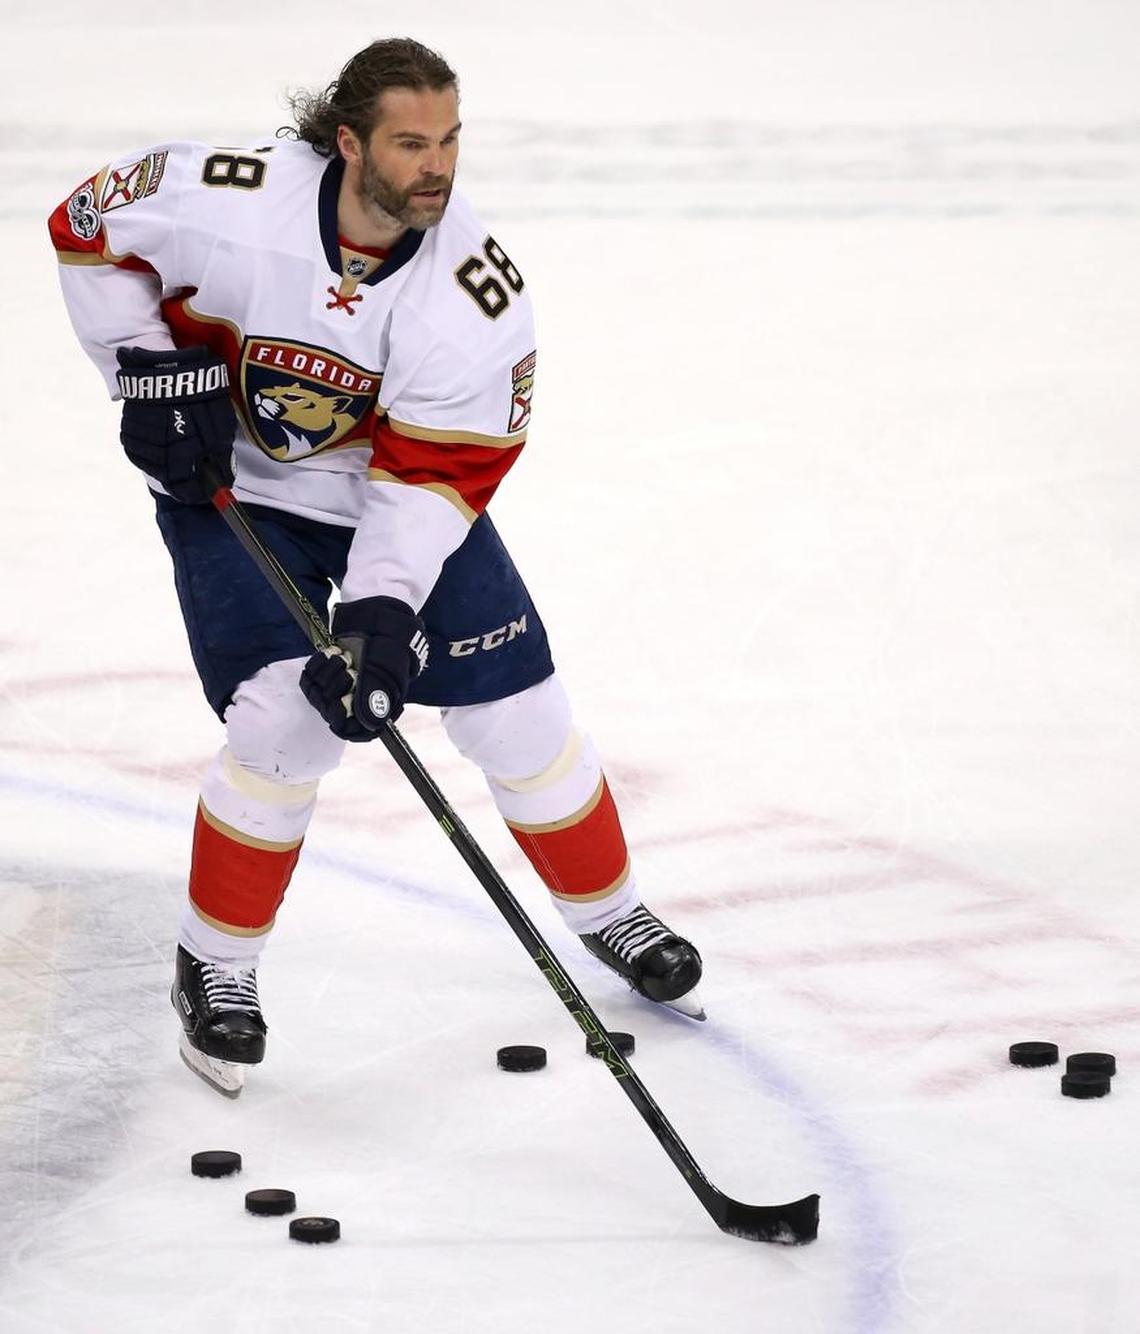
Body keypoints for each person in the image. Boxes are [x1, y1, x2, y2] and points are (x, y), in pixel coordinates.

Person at [49, 37, 703, 1097]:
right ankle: (215, 966)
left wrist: (385, 609)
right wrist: (147, 372)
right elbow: (87, 227)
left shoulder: (472, 293)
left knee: (520, 712)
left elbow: (439, 469)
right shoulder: (231, 199)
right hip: (233, 492)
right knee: (284, 722)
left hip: (384, 501)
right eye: (410, 142)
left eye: (449, 139)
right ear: (348, 142)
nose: (437, 165)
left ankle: (611, 913)